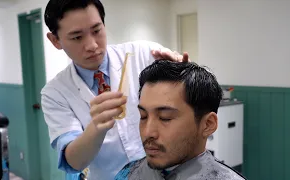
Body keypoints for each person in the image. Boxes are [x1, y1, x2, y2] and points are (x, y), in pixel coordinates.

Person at [41, 0, 189, 180]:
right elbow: (74, 162)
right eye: (77, 37)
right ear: (55, 40)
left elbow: (183, 105)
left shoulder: (144, 54)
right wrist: (96, 128)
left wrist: (183, 76)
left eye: (97, 31)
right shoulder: (55, 93)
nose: (92, 45)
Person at [114, 60, 246, 180]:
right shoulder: (128, 174)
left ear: (207, 124)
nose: (148, 132)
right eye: (143, 116)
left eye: (165, 118)